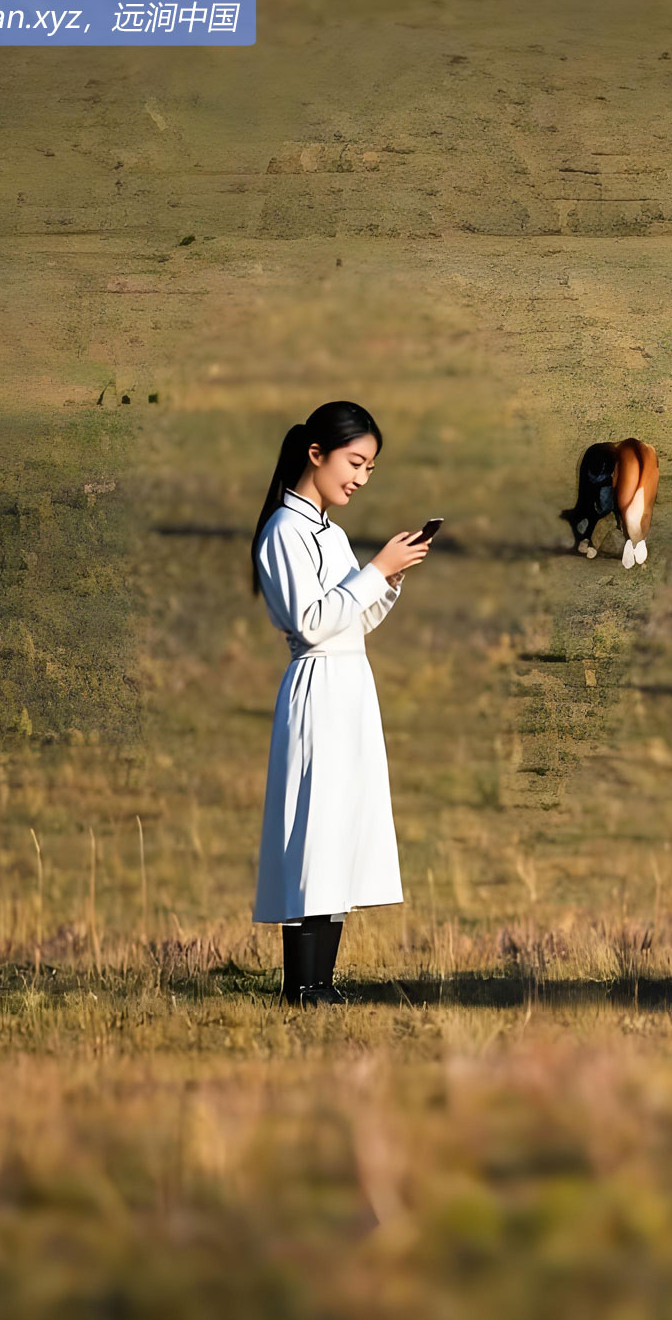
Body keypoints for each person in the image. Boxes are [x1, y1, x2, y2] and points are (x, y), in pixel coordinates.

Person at [248, 401, 431, 1005]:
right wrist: (374, 570)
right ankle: (301, 987)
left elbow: (356, 620)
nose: (360, 478)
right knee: (314, 828)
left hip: (351, 686)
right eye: (355, 462)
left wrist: (389, 578)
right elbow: (311, 622)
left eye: (370, 468)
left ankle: (320, 984)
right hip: (319, 689)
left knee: (340, 828)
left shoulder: (332, 533)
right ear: (316, 454)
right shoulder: (284, 531)